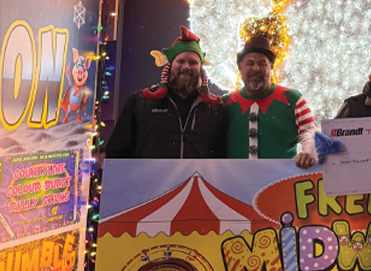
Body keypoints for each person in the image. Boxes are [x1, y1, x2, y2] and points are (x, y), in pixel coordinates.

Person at [106, 26, 226, 158]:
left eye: (193, 63)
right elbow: (116, 152)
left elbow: (221, 157)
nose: (186, 67)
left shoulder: (215, 110)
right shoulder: (139, 102)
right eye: (180, 61)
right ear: (170, 65)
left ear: (201, 69)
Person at [223, 36, 316, 169]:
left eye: (262, 64)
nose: (256, 69)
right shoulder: (226, 103)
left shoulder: (292, 99)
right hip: (235, 180)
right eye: (250, 63)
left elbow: (313, 137)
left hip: (282, 179)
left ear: (271, 67)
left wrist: (308, 153)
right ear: (240, 67)